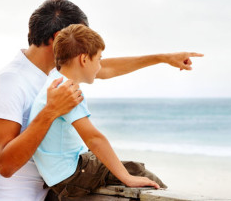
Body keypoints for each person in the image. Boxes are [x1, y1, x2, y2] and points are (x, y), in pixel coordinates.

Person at [0, 0, 203, 201]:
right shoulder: (10, 82)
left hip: (47, 193)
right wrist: (50, 112)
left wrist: (162, 58)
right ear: (60, 38)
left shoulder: (54, 74)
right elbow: (5, 165)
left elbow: (102, 68)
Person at [29, 23, 166, 200]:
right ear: (84, 59)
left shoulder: (54, 81)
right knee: (137, 171)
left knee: (106, 161)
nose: (100, 66)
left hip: (57, 175)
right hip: (71, 175)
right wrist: (127, 178)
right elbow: (94, 138)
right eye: (99, 59)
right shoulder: (67, 91)